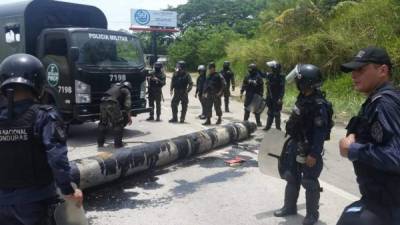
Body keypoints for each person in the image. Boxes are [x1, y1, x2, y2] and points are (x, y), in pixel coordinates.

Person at [0, 53, 83, 225]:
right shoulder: (44, 115)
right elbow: (57, 158)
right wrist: (68, 190)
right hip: (35, 201)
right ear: (38, 85)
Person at [337, 47, 400, 225]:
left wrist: (352, 149)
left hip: (390, 206)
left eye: (361, 69)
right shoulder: (376, 100)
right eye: (353, 70)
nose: (354, 75)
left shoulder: (385, 103)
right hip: (382, 200)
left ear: (382, 70)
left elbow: (397, 156)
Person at [274, 64, 332, 225]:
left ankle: (312, 215)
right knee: (291, 176)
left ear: (306, 82)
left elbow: (320, 133)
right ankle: (289, 207)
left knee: (309, 181)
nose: (296, 84)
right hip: (295, 143)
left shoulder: (319, 104)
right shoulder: (303, 97)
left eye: (299, 81)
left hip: (309, 148)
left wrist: (314, 154)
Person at [97, 81, 132, 148]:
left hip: (102, 102)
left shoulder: (115, 87)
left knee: (103, 123)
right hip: (112, 103)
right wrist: (129, 117)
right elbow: (127, 105)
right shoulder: (126, 90)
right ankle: (118, 145)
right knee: (118, 124)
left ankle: (100, 143)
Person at [264, 60, 285, 131]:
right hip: (270, 96)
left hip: (277, 96)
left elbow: (282, 88)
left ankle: (278, 128)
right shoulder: (269, 75)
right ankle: (268, 126)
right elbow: (267, 85)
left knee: (277, 113)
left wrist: (280, 98)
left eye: (273, 68)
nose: (271, 69)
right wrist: (267, 83)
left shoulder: (281, 76)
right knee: (270, 111)